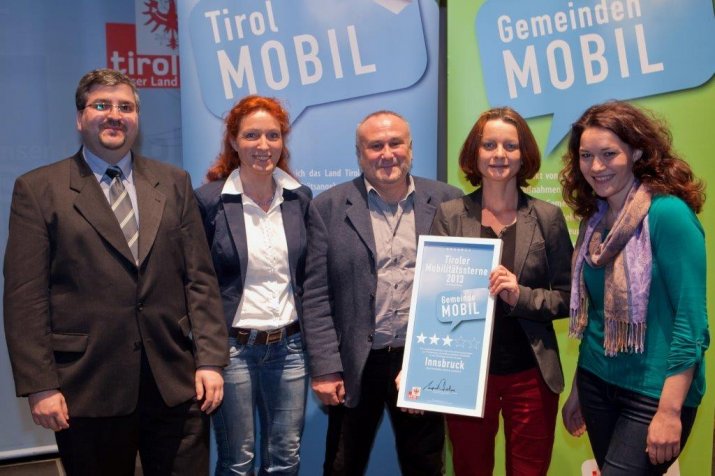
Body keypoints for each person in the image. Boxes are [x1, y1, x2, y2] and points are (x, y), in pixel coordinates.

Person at [3, 68, 228, 476]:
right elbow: (25, 296)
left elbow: (199, 278)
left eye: (125, 107)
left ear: (137, 118)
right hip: (87, 388)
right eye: (102, 105)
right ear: (80, 118)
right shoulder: (38, 190)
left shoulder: (173, 183)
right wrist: (41, 384)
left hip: (175, 383)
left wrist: (210, 360)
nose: (114, 115)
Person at [301, 110, 463, 475]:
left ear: (410, 149)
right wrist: (325, 368)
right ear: (360, 154)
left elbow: (461, 287)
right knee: (342, 465)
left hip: (421, 357)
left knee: (425, 465)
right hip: (356, 362)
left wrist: (434, 362)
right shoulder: (329, 206)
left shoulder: (448, 202)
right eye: (375, 146)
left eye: (395, 143)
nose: (387, 154)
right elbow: (316, 295)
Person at [560, 100, 709, 475]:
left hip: (654, 393)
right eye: (586, 156)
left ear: (637, 152)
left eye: (609, 154)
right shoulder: (595, 222)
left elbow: (691, 322)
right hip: (596, 383)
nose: (596, 167)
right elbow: (596, 315)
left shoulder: (668, 214)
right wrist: (578, 387)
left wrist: (670, 411)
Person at [430, 107, 572, 475]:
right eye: (489, 145)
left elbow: (571, 297)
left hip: (531, 375)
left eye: (510, 146)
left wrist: (521, 295)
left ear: (524, 155)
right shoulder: (450, 215)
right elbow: (432, 299)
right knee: (470, 469)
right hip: (465, 376)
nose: (499, 154)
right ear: (474, 153)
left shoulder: (547, 217)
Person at [195, 95, 312, 476]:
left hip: (289, 348)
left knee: (285, 458)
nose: (263, 145)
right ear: (233, 140)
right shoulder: (209, 202)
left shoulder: (299, 198)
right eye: (251, 135)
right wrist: (206, 356)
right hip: (232, 351)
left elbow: (308, 276)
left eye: (272, 136)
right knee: (237, 461)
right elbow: (196, 284)